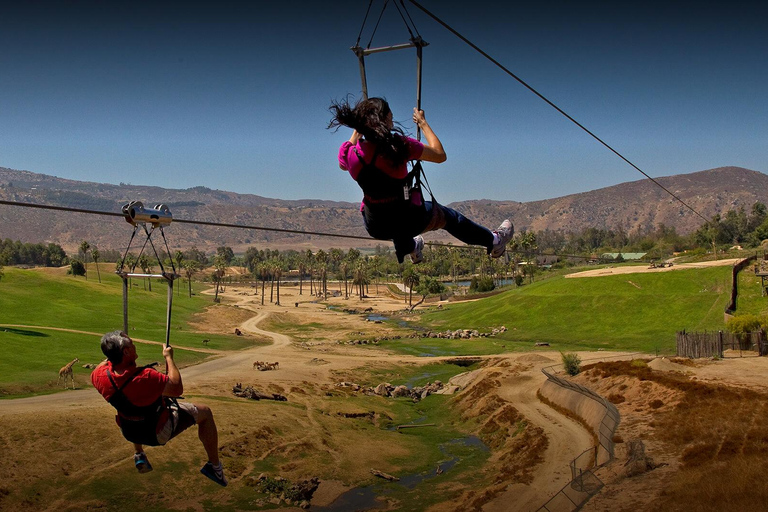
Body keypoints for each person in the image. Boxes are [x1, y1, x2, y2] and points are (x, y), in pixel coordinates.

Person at [329, 96, 513, 264]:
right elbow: (440, 155)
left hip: (376, 225)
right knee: (449, 217)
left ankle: (412, 249)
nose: (392, 122)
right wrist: (423, 123)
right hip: (408, 219)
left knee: (393, 220)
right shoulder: (398, 146)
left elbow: (342, 164)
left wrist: (357, 132)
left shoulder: (351, 154)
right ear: (383, 121)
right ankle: (494, 241)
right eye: (390, 118)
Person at [91, 331, 227, 486]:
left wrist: (114, 353)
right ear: (126, 352)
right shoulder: (146, 378)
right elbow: (176, 388)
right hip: (157, 432)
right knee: (205, 412)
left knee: (130, 407)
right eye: (131, 343)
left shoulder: (99, 376)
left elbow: (105, 364)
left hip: (129, 431)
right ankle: (215, 467)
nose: (135, 345)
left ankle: (139, 454)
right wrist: (169, 358)